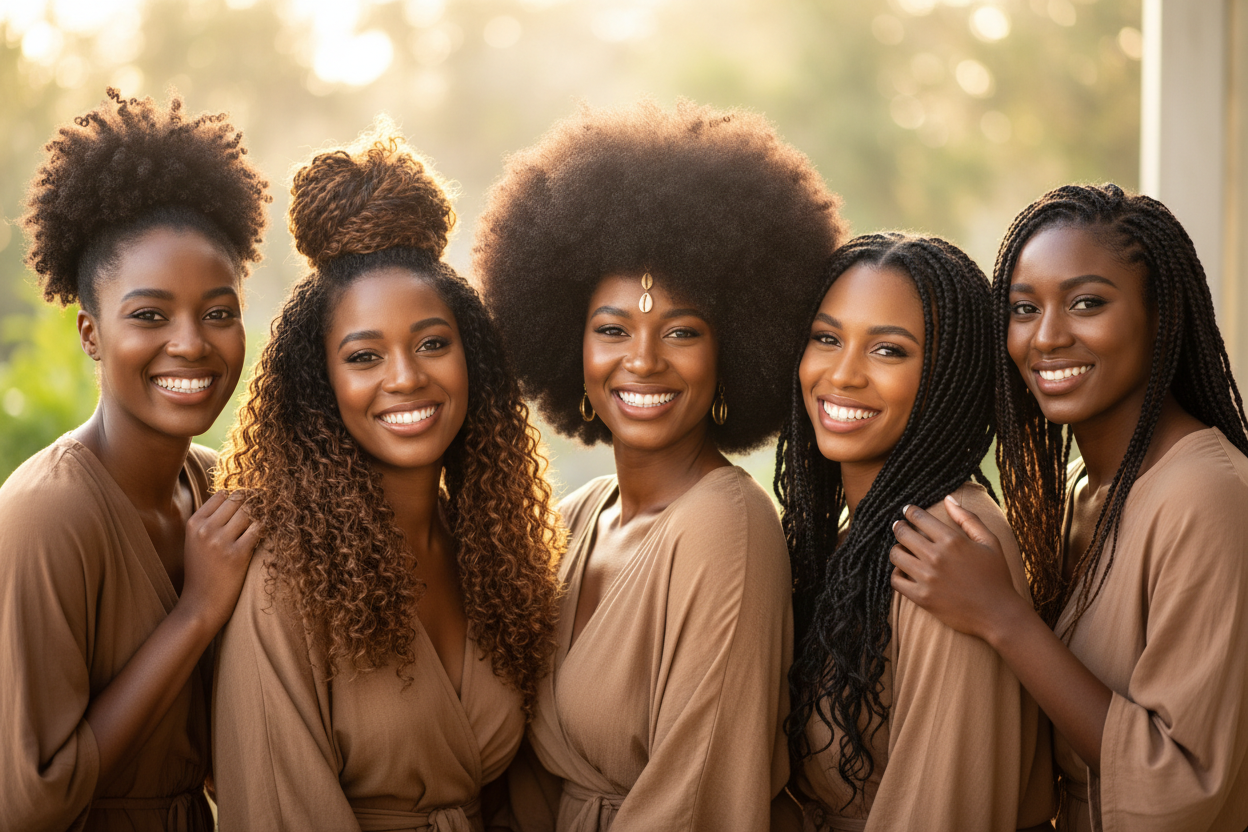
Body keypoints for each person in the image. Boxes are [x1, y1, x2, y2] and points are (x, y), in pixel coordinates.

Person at [473, 99, 844, 832]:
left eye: (681, 331)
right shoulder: (579, 519)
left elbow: (696, 789)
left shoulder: (725, 528)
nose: (642, 360)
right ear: (569, 347)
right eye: (613, 329)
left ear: (732, 351)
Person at [210, 126, 563, 832]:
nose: (406, 378)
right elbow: (280, 808)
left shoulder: (496, 554)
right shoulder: (284, 574)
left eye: (432, 344)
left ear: (475, 362)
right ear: (321, 382)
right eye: (365, 356)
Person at [890, 183, 1248, 831]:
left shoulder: (1209, 495)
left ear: (1163, 315)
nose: (1047, 337)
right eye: (1023, 308)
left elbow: (1181, 784)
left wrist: (1003, 617)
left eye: (1087, 304)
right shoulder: (1083, 488)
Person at [0, 88, 269, 831]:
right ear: (90, 334)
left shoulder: (216, 488)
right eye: (149, 315)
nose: (191, 342)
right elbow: (27, 803)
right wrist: (195, 613)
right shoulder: (47, 515)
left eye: (219, 313)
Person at [775, 233, 1053, 832]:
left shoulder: (948, 543)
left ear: (948, 375)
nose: (842, 375)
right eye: (827, 339)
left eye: (889, 351)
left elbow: (942, 809)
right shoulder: (849, 534)